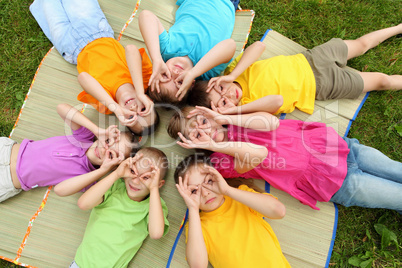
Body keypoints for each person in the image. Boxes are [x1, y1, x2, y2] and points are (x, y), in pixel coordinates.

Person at [168, 106, 402, 212]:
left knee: (396, 170)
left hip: (339, 148)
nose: (206, 131)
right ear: (194, 144)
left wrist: (224, 116)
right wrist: (213, 145)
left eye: (204, 122)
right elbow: (259, 154)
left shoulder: (235, 117)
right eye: (197, 134)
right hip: (332, 182)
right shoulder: (220, 162)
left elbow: (272, 122)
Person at [187, 24, 402, 115]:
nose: (228, 93)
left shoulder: (235, 72)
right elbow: (277, 102)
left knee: (361, 44)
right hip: (323, 85)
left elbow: (259, 46)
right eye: (223, 102)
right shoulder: (247, 109)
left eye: (220, 89)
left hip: (312, 58)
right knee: (382, 81)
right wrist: (234, 111)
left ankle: (397, 28)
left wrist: (232, 75)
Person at [29, 0, 158, 135]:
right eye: (143, 110)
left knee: (49, 7)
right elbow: (131, 50)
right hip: (96, 29)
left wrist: (115, 108)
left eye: (131, 117)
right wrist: (139, 93)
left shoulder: (107, 105)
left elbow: (83, 78)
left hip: (71, 46)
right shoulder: (143, 80)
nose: (133, 109)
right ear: (149, 101)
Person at [0, 103, 136, 202]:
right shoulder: (83, 138)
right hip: (6, 150)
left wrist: (102, 171)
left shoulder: (86, 177)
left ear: (113, 166)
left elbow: (60, 190)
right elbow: (62, 108)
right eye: (107, 141)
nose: (104, 149)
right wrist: (96, 130)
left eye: (111, 155)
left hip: (8, 180)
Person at [174, 154, 290, 268]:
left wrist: (227, 190)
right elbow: (197, 265)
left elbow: (279, 211)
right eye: (194, 191)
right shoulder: (197, 226)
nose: (205, 193)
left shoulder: (241, 196)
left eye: (209, 181)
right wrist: (193, 209)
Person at [68, 147, 169, 268]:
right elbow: (83, 204)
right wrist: (116, 174)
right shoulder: (115, 187)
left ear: (159, 183)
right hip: (81, 264)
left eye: (146, 177)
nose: (135, 182)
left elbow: (156, 233)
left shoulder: (154, 205)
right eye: (133, 171)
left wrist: (153, 189)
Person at [138, 0, 237, 105]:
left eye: (165, 75)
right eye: (180, 82)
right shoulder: (207, 70)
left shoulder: (166, 50)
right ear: (191, 84)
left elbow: (146, 16)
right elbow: (230, 45)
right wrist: (193, 72)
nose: (175, 73)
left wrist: (156, 58)